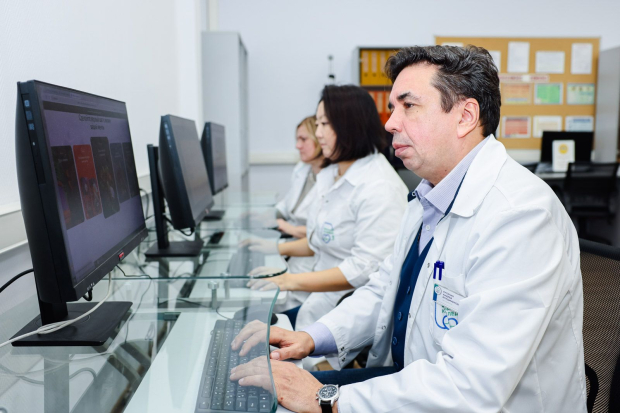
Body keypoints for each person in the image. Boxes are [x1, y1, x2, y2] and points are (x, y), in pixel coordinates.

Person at [231, 45, 586, 413]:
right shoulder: (428, 195)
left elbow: (471, 386)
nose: (390, 123)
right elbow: (384, 288)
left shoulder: (520, 216)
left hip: (469, 399)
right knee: (260, 394)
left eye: (409, 106)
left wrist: (327, 399)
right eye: (392, 107)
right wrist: (311, 337)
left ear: (465, 117)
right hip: (414, 383)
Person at [250, 84, 408, 332]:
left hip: (346, 316)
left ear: (350, 126)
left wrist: (289, 280)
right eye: (317, 124)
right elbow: (320, 241)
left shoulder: (379, 187)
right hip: (318, 302)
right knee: (247, 323)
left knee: (254, 332)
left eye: (324, 124)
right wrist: (274, 251)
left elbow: (362, 269)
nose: (318, 133)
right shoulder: (332, 173)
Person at [273, 116, 323, 318]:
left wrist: (291, 229)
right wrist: (265, 217)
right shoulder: (303, 170)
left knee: (277, 308)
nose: (297, 146)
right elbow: (287, 206)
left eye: (303, 139)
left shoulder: (332, 178)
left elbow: (324, 232)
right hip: (294, 254)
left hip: (311, 264)